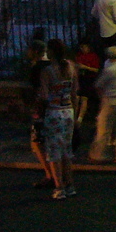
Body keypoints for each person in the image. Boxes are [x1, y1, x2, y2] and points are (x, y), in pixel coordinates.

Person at [39, 39, 78, 200]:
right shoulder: (70, 67)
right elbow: (75, 92)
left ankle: (59, 186)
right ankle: (70, 185)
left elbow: (44, 95)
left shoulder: (48, 71)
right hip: (68, 111)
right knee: (66, 150)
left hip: (54, 112)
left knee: (54, 151)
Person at [89, 46, 116, 164]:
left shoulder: (109, 70)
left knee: (103, 129)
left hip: (110, 100)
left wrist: (101, 98)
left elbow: (98, 85)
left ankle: (98, 155)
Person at [26, 39, 54, 188]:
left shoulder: (37, 68)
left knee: (37, 142)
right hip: (56, 107)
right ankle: (59, 176)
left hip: (41, 109)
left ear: (36, 52)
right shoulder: (53, 66)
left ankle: (50, 174)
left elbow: (35, 90)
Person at [74, 39, 100, 128]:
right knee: (76, 98)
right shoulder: (79, 56)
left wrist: (86, 67)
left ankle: (80, 119)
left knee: (84, 99)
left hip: (88, 79)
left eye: (84, 47)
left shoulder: (93, 56)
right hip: (80, 78)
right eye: (81, 47)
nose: (82, 49)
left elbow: (96, 70)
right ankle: (74, 116)